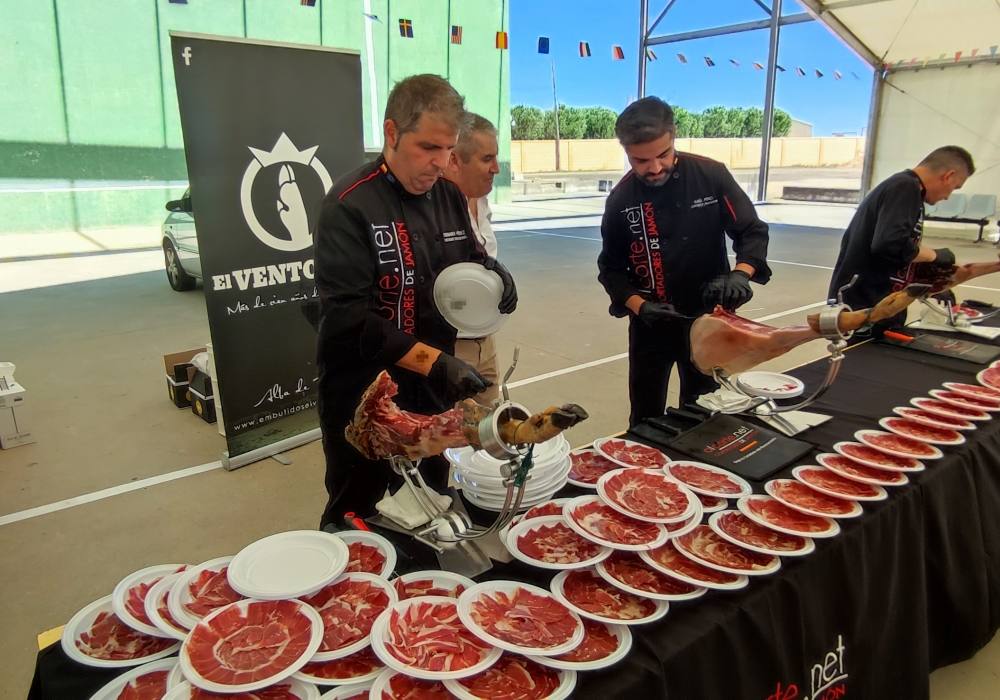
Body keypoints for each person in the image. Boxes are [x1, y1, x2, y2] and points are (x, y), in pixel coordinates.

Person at [313, 75, 517, 530]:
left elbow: (467, 257)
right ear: (391, 133)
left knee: (432, 502)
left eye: (447, 149)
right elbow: (348, 316)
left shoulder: (447, 193)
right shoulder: (349, 205)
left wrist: (492, 272)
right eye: (427, 147)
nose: (439, 162)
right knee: (356, 512)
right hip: (362, 392)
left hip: (429, 390)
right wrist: (435, 362)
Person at [597, 96, 771, 426]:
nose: (655, 168)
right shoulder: (621, 199)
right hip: (651, 324)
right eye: (641, 161)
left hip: (709, 319)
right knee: (646, 416)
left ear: (673, 135)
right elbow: (611, 269)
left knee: (704, 409)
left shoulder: (710, 176)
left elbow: (751, 230)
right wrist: (640, 307)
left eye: (662, 155)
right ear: (626, 152)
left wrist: (741, 275)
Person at [828, 146, 974, 329]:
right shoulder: (904, 188)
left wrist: (928, 282)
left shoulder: (910, 191)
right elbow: (889, 244)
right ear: (948, 176)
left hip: (884, 300)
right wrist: (934, 255)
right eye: (954, 187)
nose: (947, 197)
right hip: (864, 305)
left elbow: (897, 252)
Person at [445, 112, 505, 405]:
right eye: (487, 159)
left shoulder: (480, 198)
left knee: (492, 433)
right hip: (451, 348)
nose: (496, 168)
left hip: (485, 339)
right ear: (455, 159)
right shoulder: (432, 208)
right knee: (453, 441)